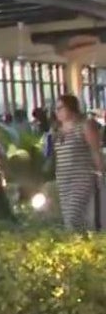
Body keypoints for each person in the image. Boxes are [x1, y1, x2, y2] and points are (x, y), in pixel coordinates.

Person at [52, 95, 104, 231]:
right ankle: (80, 244)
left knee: (73, 216)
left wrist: (101, 173)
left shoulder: (84, 126)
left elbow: (95, 151)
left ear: (70, 108)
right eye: (56, 109)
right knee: (71, 218)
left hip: (81, 178)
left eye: (60, 108)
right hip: (64, 181)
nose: (57, 112)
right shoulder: (58, 131)